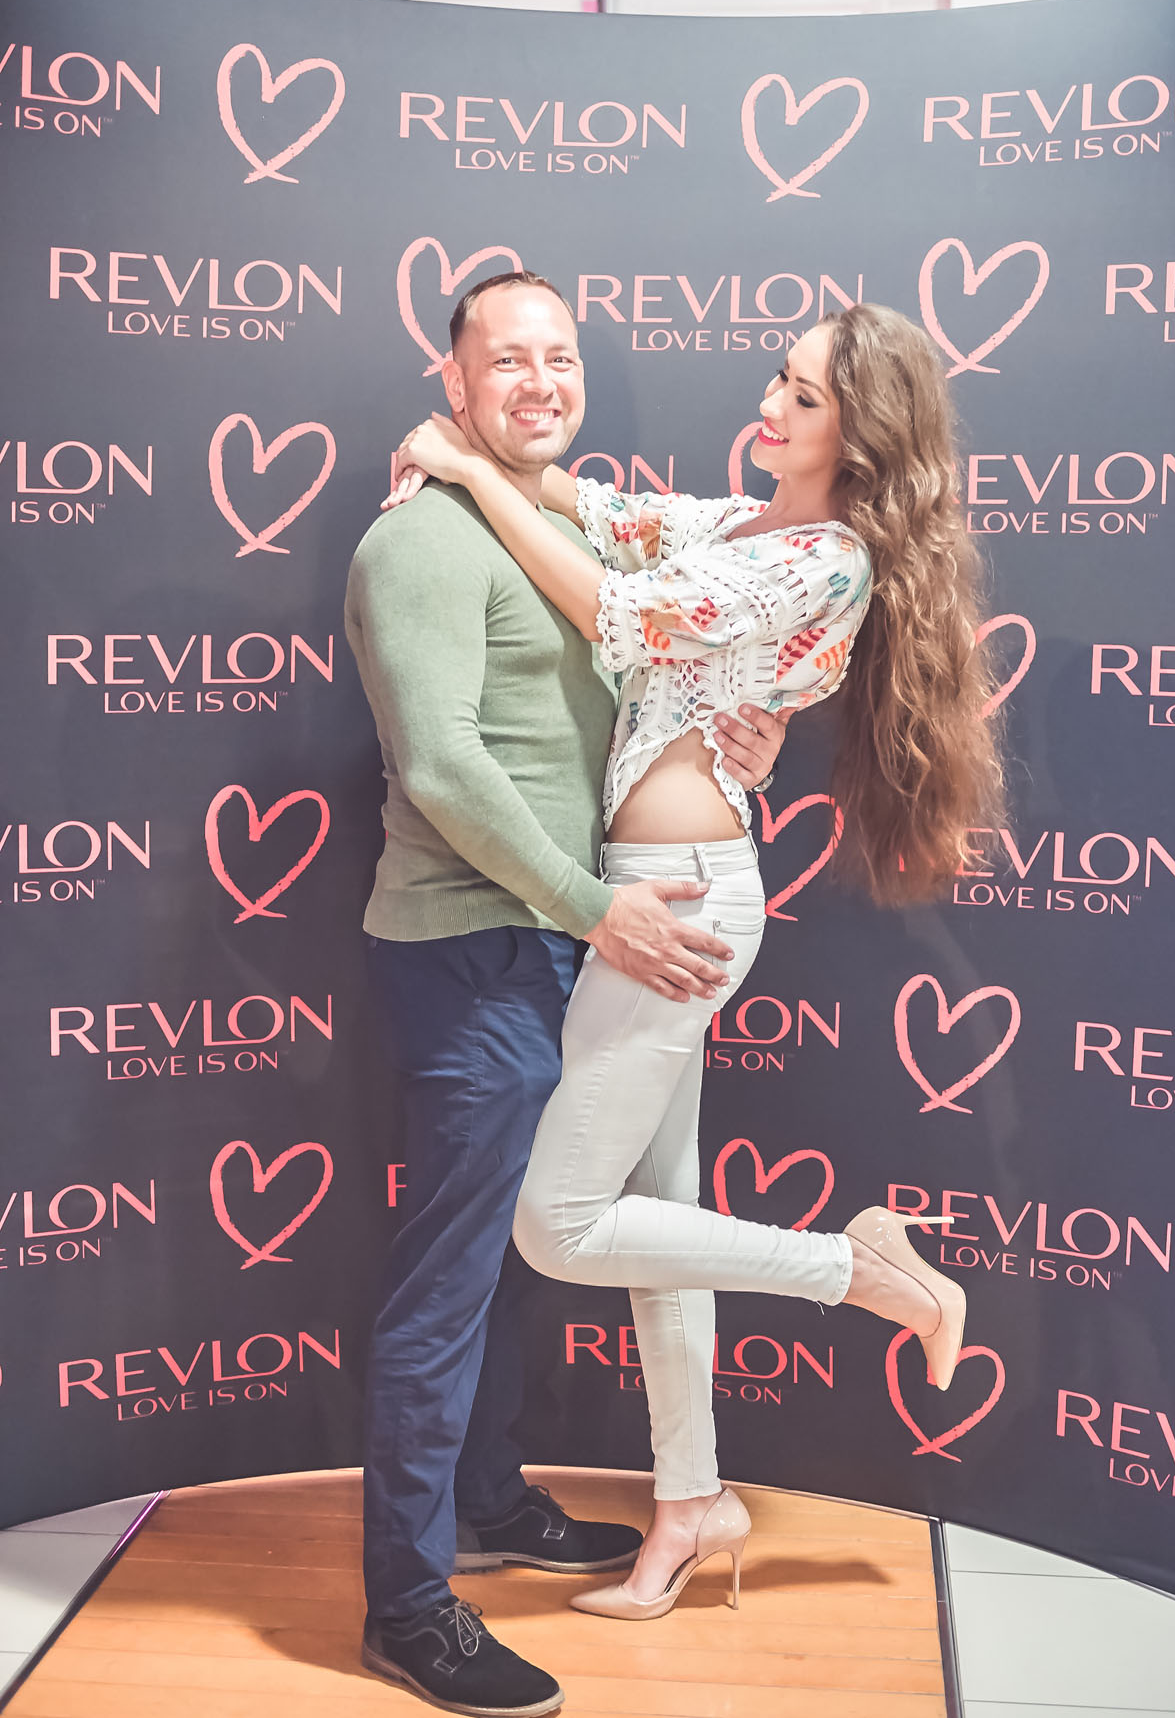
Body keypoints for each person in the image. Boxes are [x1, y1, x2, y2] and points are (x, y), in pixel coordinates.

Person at [386, 298, 1005, 1626]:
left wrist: (472, 476)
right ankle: (690, 1501)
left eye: (805, 397)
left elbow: (619, 616)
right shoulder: (743, 525)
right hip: (648, 881)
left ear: (860, 435)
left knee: (559, 1225)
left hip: (679, 897)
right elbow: (601, 514)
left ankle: (862, 1270)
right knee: (660, 1217)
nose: (770, 406)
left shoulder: (825, 560)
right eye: (778, 378)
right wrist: (471, 452)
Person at [345, 270, 791, 1716]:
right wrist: (599, 910)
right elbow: (443, 766)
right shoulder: (419, 539)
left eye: (561, 358)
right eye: (507, 361)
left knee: (525, 1255)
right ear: (454, 379)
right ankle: (410, 1606)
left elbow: (706, 628)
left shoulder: (576, 525)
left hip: (560, 943)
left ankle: (488, 1502)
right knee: (448, 1284)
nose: (539, 382)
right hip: (474, 945)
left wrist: (745, 732)